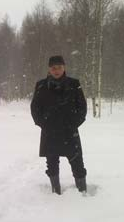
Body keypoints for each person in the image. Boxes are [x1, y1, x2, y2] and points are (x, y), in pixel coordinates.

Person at [30, 55, 87, 195]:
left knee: (77, 163)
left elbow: (82, 107)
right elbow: (35, 108)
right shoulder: (41, 85)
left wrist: (73, 123)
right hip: (50, 132)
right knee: (52, 165)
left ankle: (83, 192)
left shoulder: (74, 84)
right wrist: (43, 123)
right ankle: (56, 193)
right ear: (49, 69)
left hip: (70, 131)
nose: (56, 71)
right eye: (53, 68)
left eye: (59, 67)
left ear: (64, 67)